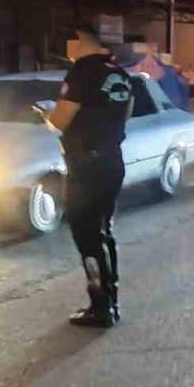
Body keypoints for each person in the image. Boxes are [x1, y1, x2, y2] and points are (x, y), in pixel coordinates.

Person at [46, 24, 133, 328]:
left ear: (78, 42)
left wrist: (47, 116)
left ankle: (100, 306)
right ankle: (112, 299)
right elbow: (126, 113)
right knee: (103, 231)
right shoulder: (119, 73)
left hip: (86, 167)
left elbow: (59, 120)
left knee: (86, 235)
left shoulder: (82, 73)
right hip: (112, 161)